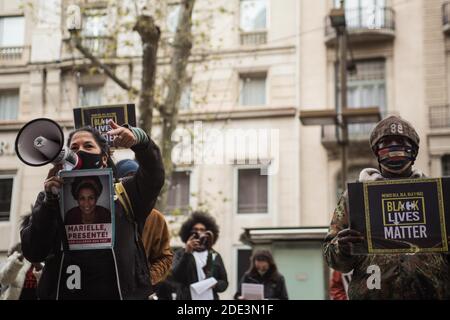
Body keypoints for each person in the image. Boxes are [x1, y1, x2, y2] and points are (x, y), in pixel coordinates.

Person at [20, 120, 165, 300]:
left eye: (88, 146)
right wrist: (49, 202)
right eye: (74, 147)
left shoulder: (125, 194)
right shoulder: (51, 198)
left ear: (103, 158)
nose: (79, 151)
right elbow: (34, 251)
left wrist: (141, 140)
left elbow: (154, 176)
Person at [323, 115, 450, 299]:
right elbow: (333, 260)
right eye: (387, 142)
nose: (394, 147)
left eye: (401, 141)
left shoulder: (438, 196)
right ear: (376, 151)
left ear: (413, 151)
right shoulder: (354, 198)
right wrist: (342, 247)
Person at [116, 159, 173, 288]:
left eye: (136, 182)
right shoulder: (106, 213)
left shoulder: (156, 218)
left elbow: (165, 258)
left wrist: (147, 279)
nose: (132, 187)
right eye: (125, 182)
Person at [171, 211, 228, 300]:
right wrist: (187, 252)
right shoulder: (180, 253)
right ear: (189, 232)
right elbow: (175, 277)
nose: (199, 232)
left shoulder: (214, 255)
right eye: (195, 229)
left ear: (208, 232)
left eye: (202, 230)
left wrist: (216, 284)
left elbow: (224, 282)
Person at [0, 216, 44, 300]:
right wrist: (21, 256)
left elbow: (48, 285)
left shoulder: (48, 254)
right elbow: (4, 280)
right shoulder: (17, 254)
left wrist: (36, 262)